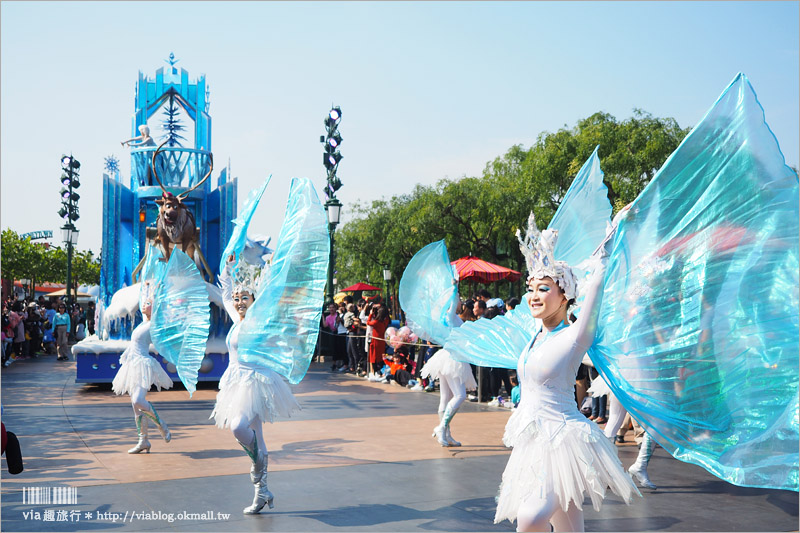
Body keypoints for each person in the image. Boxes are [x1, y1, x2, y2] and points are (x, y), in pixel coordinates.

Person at [492, 218, 638, 532]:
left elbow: (595, 291)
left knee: (531, 518)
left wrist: (606, 252)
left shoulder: (574, 337)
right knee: (569, 524)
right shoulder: (535, 336)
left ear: (564, 296)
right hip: (534, 443)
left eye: (543, 289)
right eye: (531, 289)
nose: (533, 296)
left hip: (565, 441)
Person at [211, 254, 301, 514]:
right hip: (236, 382)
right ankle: (262, 492)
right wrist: (227, 268)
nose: (239, 302)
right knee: (257, 435)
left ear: (254, 300)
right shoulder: (236, 319)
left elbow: (271, 289)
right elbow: (225, 293)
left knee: (239, 427)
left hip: (256, 382)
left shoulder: (260, 318)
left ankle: (258, 467)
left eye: (245, 298)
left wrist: (271, 265)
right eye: (238, 299)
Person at [111, 285, 173, 454]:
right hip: (133, 365)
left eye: (148, 303)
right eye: (144, 302)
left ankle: (162, 425)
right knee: (135, 404)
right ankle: (143, 440)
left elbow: (163, 341)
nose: (144, 304)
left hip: (143, 365)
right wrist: (148, 288)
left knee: (138, 400)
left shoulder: (154, 326)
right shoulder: (143, 323)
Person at [366, 305, 390, 380]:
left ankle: (375, 372)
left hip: (375, 341)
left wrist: (370, 314)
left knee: (374, 357)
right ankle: (380, 372)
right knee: (380, 357)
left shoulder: (376, 322)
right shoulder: (385, 321)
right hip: (382, 341)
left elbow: (368, 322)